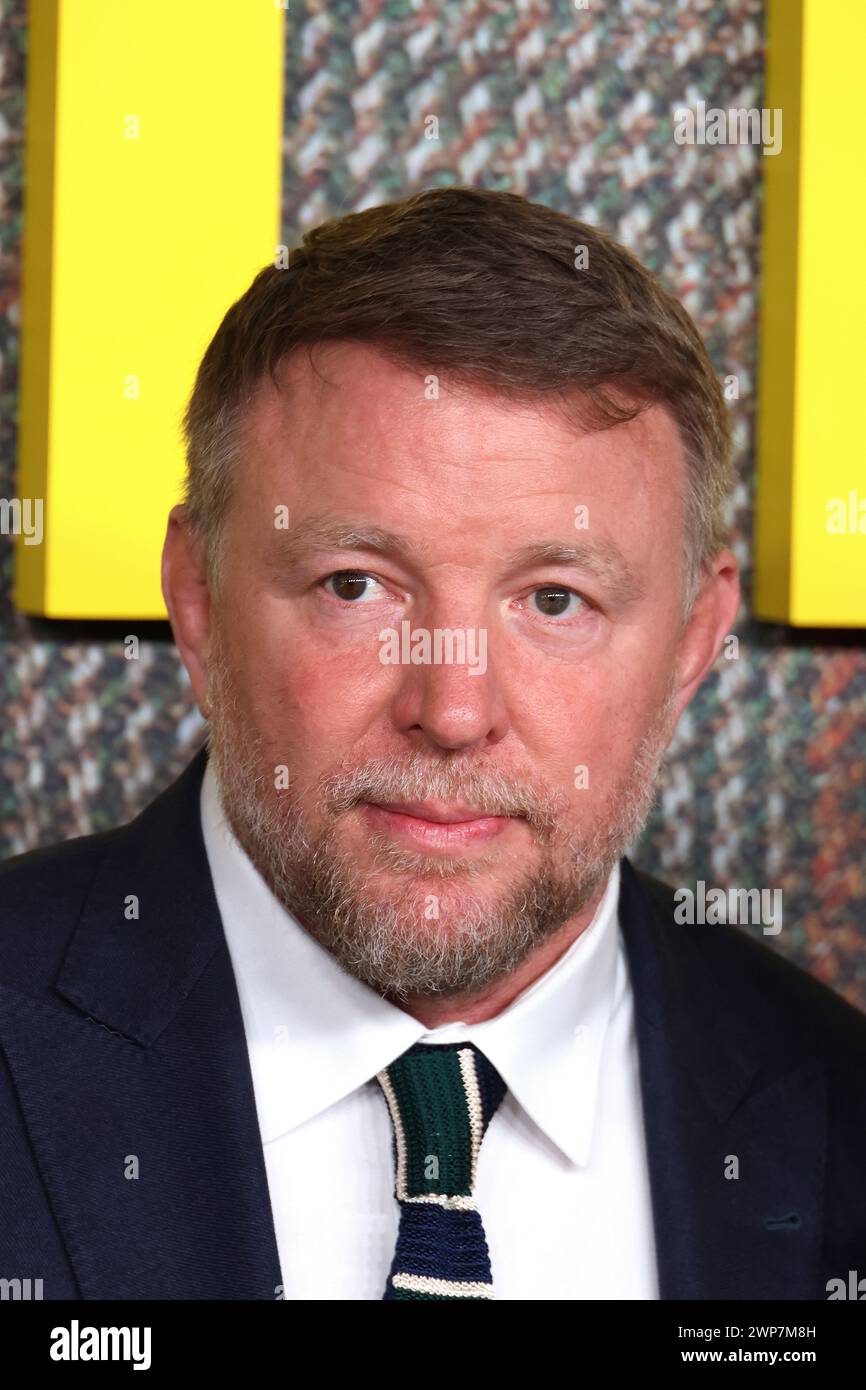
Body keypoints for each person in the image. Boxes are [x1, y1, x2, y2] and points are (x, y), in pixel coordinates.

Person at [1, 188, 864, 1301]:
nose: (452, 709)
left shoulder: (836, 1112)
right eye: (355, 585)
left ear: (693, 637)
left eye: (553, 600)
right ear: (198, 597)